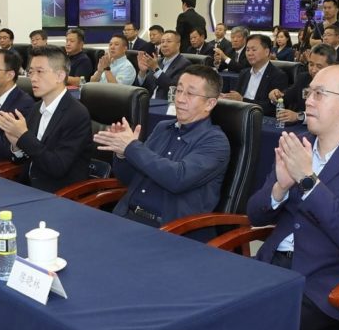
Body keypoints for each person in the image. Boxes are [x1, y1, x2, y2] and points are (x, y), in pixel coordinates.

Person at [247, 64, 339, 330]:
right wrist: (280, 187)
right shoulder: (297, 145)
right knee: (208, 308)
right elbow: (254, 215)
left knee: (249, 327)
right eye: (309, 92)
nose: (308, 101)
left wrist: (308, 181)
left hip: (323, 285)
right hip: (270, 264)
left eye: (319, 94)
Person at [94, 65, 230, 229]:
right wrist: (122, 154)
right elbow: (128, 179)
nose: (180, 99)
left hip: (170, 229)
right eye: (179, 90)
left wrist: (132, 148)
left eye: (190, 94)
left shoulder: (216, 142)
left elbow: (177, 179)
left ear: (210, 103)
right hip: (126, 215)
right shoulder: (162, 128)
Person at [0, 45, 93, 192]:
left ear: (60, 76)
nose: (33, 78)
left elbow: (57, 167)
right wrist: (16, 145)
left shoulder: (77, 114)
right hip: (28, 186)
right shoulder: (36, 108)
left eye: (40, 72)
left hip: (60, 193)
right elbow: (28, 156)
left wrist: (23, 136)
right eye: (31, 72)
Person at [223, 34, 289, 116]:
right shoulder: (244, 73)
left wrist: (243, 100)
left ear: (266, 52)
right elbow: (236, 97)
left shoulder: (278, 75)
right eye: (247, 50)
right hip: (240, 116)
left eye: (254, 50)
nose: (249, 53)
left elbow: (272, 108)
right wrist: (226, 97)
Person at [272, 43, 334, 123]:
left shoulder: (337, 85)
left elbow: (328, 115)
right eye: (311, 64)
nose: (313, 70)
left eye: (319, 66)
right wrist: (275, 96)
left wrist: (299, 116)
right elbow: (286, 97)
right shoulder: (303, 78)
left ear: (331, 67)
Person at [134, 30, 192, 100]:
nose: (164, 45)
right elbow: (144, 87)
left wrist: (156, 69)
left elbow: (173, 88)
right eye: (162, 42)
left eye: (169, 41)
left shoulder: (184, 64)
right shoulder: (158, 62)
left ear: (178, 45)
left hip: (165, 103)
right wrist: (142, 72)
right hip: (147, 101)